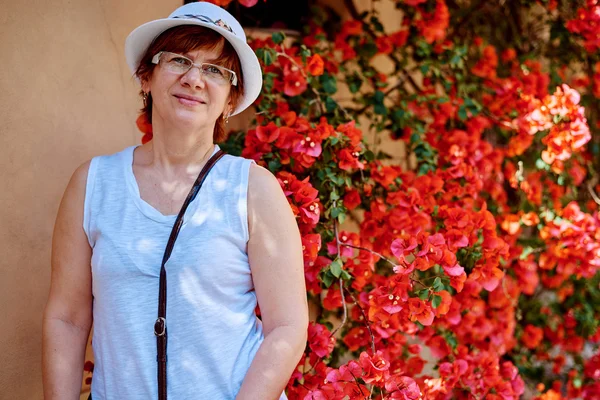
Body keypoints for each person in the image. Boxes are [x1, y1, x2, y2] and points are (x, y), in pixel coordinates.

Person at [42, 3, 309, 399]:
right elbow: (67, 319)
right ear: (146, 77)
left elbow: (287, 327)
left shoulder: (253, 188)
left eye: (215, 69)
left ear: (230, 101)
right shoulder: (93, 183)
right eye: (179, 60)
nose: (194, 79)